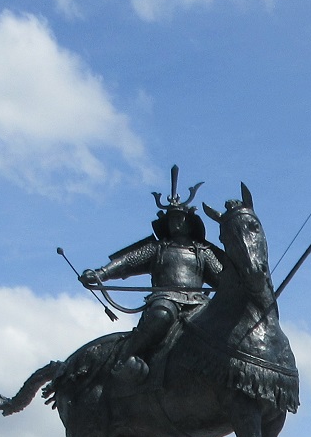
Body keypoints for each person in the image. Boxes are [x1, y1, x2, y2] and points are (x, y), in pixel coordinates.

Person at [77, 166, 225, 406]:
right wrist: (101, 273)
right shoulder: (158, 248)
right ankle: (126, 357)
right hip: (165, 299)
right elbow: (127, 262)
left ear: (190, 222)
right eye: (172, 219)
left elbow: (222, 279)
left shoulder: (203, 252)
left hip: (198, 304)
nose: (176, 223)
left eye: (180, 219)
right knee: (161, 315)